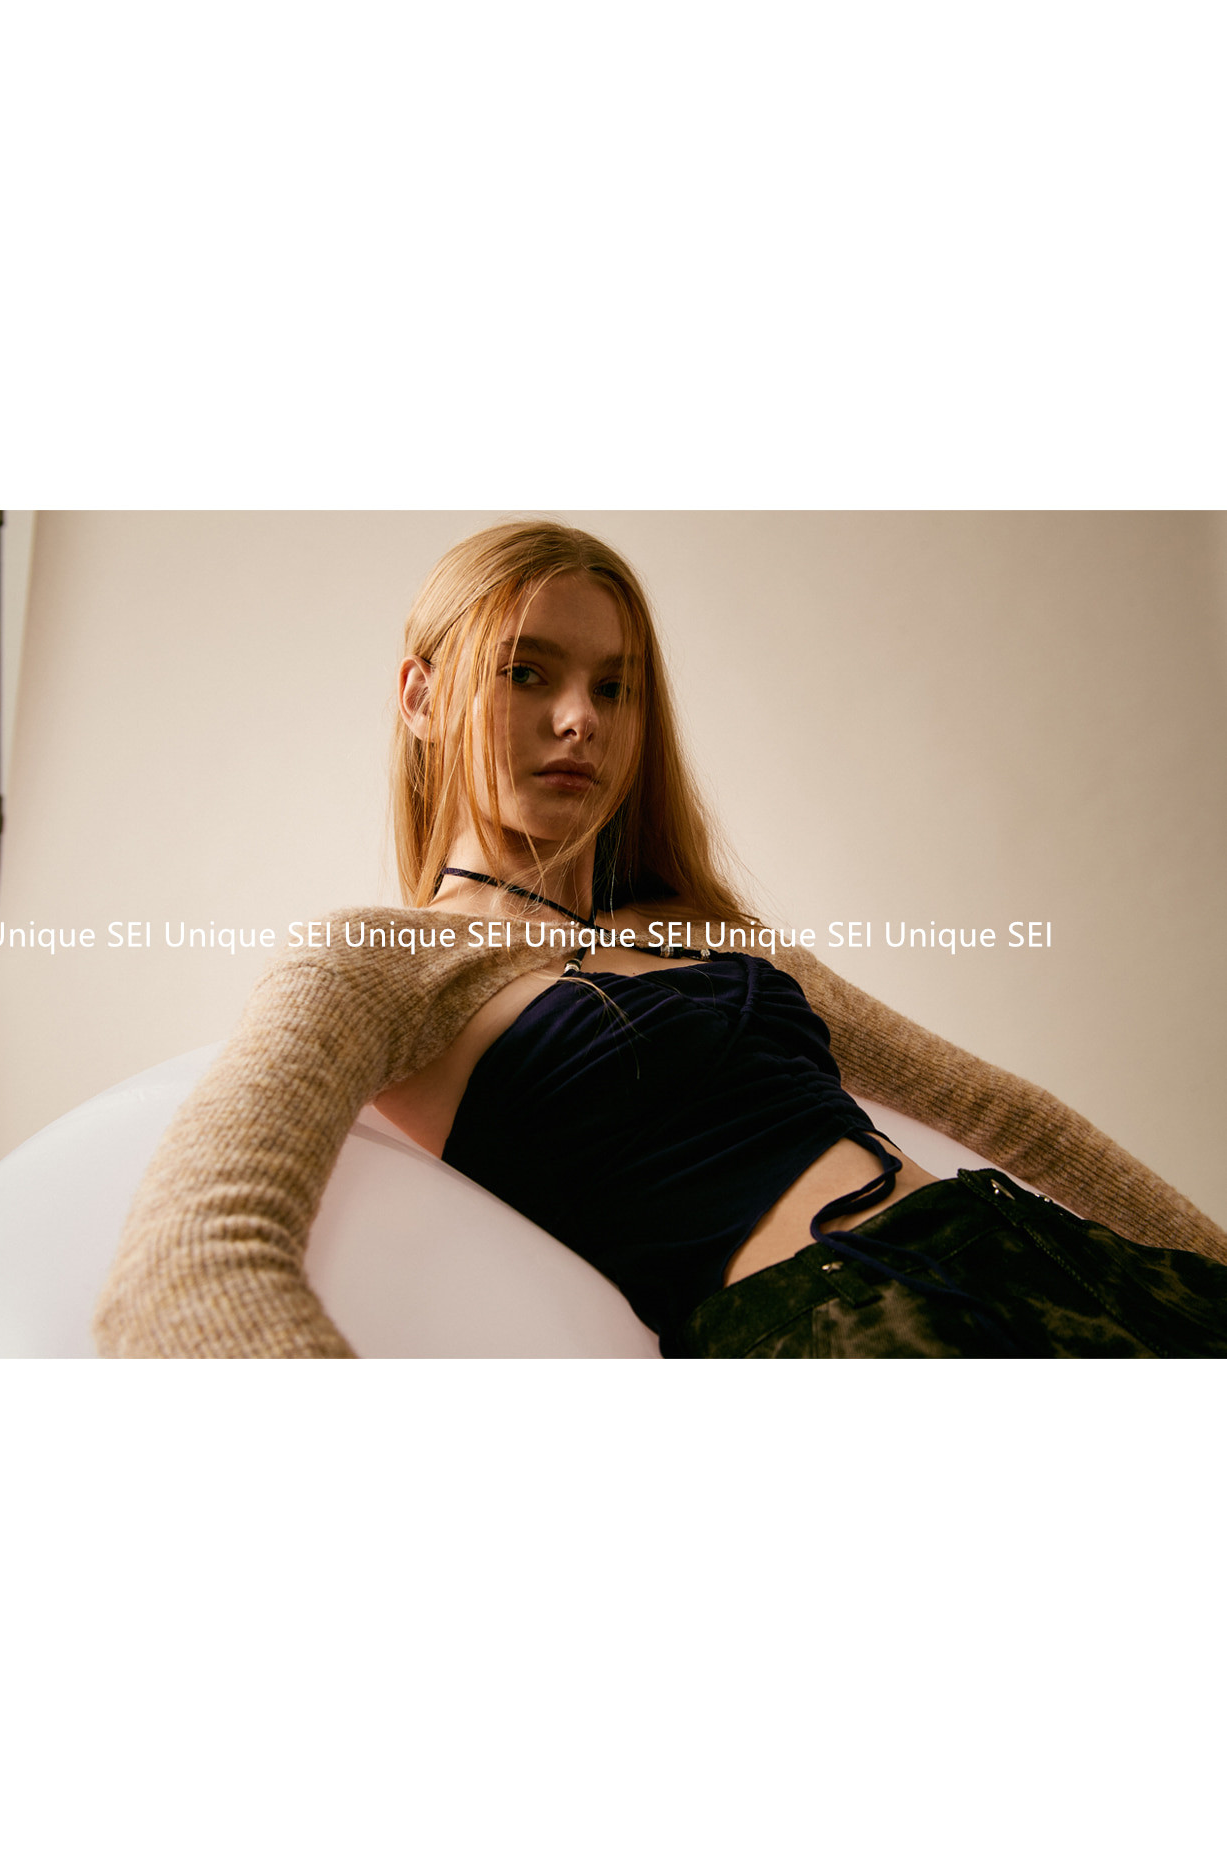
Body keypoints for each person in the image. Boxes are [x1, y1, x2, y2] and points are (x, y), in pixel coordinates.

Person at [94, 521, 1227, 1359]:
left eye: (615, 687)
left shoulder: (704, 932)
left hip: (1068, 1274)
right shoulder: (375, 961)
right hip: (863, 1333)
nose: (579, 718)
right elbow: (186, 1261)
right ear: (421, 698)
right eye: (526, 672)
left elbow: (1006, 1115)